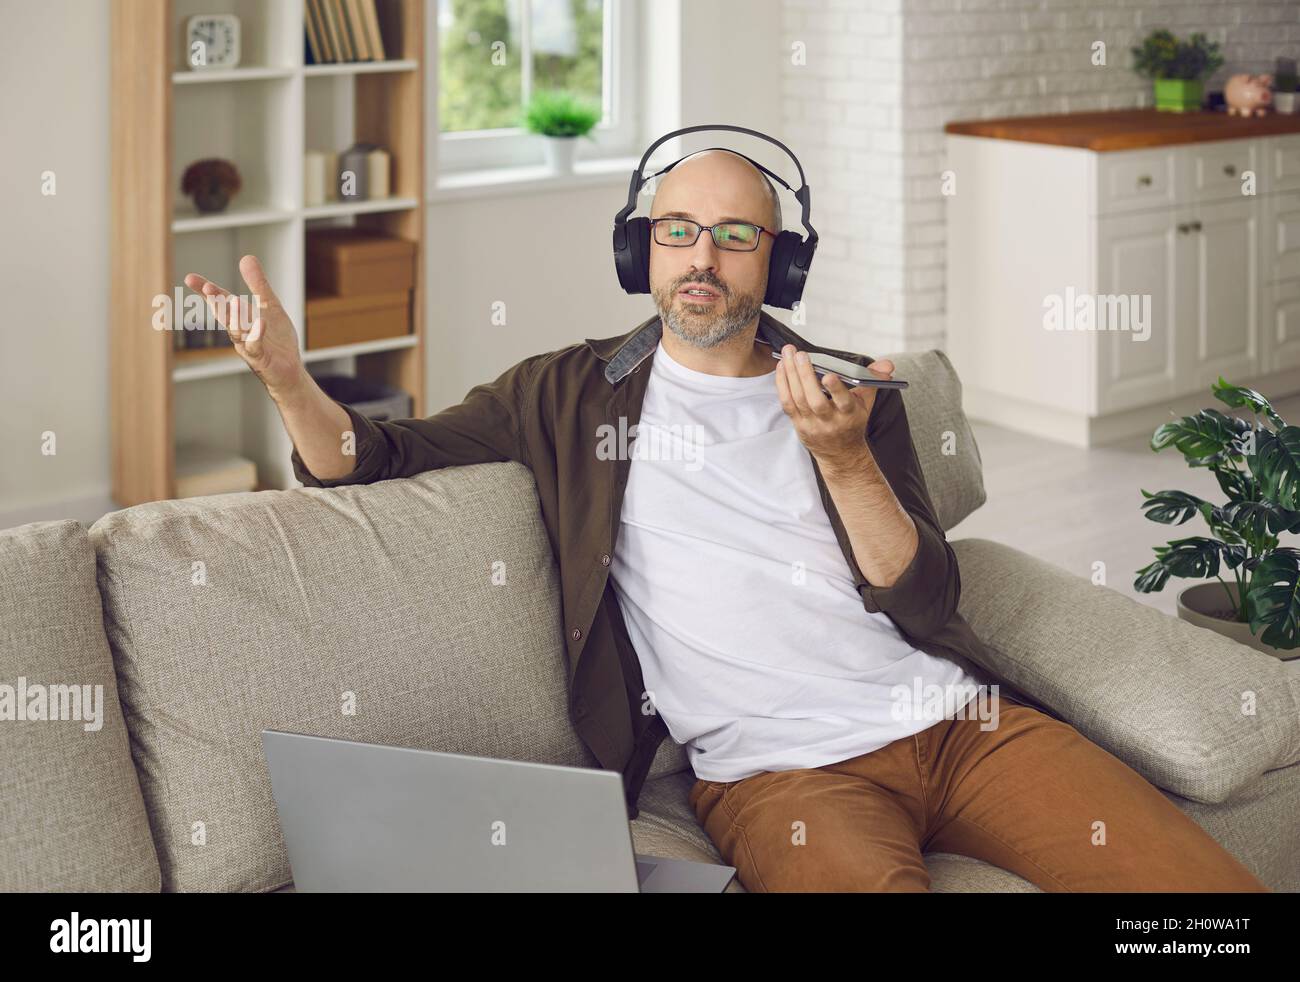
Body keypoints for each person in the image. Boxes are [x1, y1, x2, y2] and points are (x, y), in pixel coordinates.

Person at [184, 148, 1268, 893]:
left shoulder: (851, 394)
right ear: (641, 253)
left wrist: (843, 458)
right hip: (782, 776)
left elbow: (927, 593)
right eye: (678, 232)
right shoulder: (564, 394)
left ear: (777, 261)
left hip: (959, 726)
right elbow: (369, 458)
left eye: (735, 235)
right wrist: (287, 376)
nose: (701, 257)